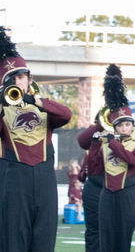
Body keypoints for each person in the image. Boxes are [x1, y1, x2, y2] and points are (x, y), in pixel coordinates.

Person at [0, 27, 72, 252]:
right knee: (14, 238)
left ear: (30, 79)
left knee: (44, 237)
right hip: (14, 177)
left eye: (22, 77)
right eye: (14, 78)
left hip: (44, 176)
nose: (19, 82)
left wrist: (34, 100)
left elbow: (66, 115)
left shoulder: (42, 104)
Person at [90, 71, 135, 252]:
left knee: (123, 240)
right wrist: (94, 146)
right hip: (107, 195)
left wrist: (113, 144)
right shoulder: (106, 143)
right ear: (114, 127)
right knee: (106, 240)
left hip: (127, 194)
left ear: (132, 125)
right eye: (120, 125)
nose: (124, 128)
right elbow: (93, 170)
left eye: (127, 124)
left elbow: (132, 161)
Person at [76, 64, 123, 252]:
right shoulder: (98, 128)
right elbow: (82, 140)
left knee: (115, 231)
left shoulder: (126, 127)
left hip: (115, 185)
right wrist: (100, 124)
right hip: (94, 186)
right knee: (93, 231)